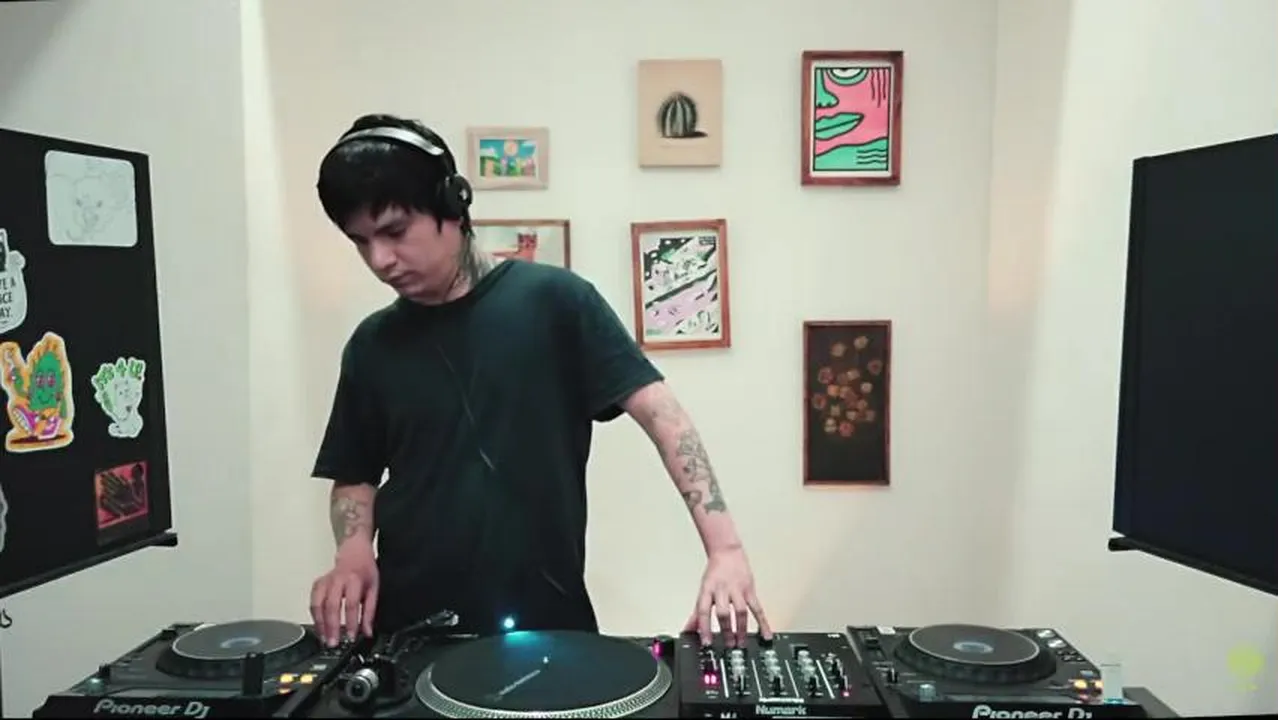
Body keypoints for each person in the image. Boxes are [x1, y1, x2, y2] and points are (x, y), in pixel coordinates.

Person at [306, 113, 772, 651]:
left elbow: (664, 417)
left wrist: (726, 551)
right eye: (360, 242)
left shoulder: (558, 302)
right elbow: (355, 474)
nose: (380, 260)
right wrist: (352, 553)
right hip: (407, 634)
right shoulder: (372, 344)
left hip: (547, 625)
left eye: (394, 231)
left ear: (452, 206)